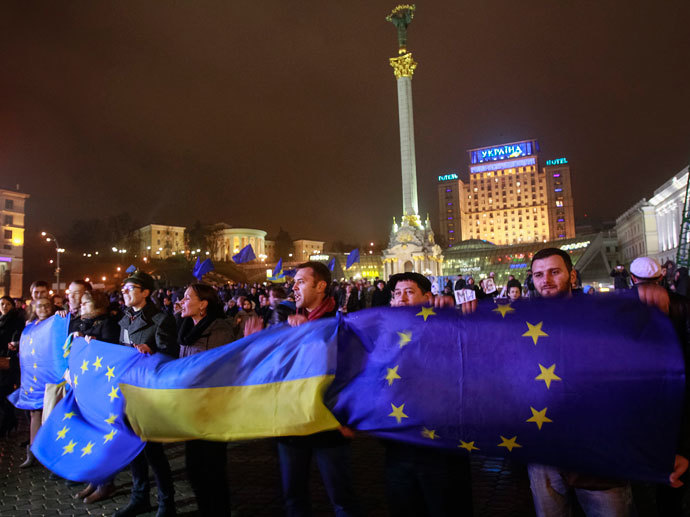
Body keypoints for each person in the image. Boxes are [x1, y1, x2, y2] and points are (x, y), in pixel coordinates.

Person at [528, 248, 636, 516]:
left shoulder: (602, 315)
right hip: (545, 449)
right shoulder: (522, 322)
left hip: (597, 451)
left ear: (571, 276)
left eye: (554, 272)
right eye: (539, 274)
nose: (546, 280)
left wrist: (655, 294)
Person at [384, 272, 474, 517]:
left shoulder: (446, 328)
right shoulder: (383, 336)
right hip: (399, 447)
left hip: (441, 448)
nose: (401, 299)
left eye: (409, 292)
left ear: (428, 298)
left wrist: (451, 316)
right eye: (396, 294)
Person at [278, 261, 360, 516]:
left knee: (342, 497)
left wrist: (349, 419)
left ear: (321, 286)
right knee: (293, 496)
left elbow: (350, 373)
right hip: (292, 424)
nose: (294, 287)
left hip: (329, 426)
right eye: (294, 282)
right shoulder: (286, 323)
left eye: (301, 281)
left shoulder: (340, 324)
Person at [629, 256, 690, 515]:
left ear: (632, 279)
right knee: (673, 487)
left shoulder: (618, 308)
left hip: (635, 406)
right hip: (677, 403)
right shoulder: (683, 305)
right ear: (662, 276)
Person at [114, 270, 178, 517]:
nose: (125, 292)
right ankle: (140, 498)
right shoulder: (125, 318)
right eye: (124, 289)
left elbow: (170, 353)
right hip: (127, 390)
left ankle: (166, 502)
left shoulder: (161, 319)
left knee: (153, 451)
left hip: (148, 392)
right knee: (133, 448)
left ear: (145, 292)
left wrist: (150, 349)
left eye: (130, 288)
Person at [178, 284, 234, 516]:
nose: (181, 301)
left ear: (203, 304)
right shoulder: (185, 329)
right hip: (191, 409)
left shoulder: (219, 330)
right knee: (194, 469)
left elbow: (218, 368)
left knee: (212, 470)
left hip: (213, 410)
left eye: (187, 297)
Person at [73, 290, 121, 503]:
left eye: (85, 303)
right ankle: (94, 479)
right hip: (87, 386)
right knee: (91, 435)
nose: (81, 306)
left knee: (103, 436)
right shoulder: (82, 323)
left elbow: (110, 353)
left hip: (103, 387)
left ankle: (106, 482)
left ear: (97, 305)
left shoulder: (108, 324)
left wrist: (94, 343)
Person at [18, 296, 54, 468]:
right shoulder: (29, 328)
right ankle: (32, 452)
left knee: (51, 414)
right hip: (34, 377)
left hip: (50, 377)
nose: (44, 309)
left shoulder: (57, 322)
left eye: (47, 305)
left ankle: (49, 454)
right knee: (35, 413)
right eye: (40, 306)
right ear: (34, 309)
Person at [0, 295, 24, 437]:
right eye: (2, 304)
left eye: (7, 304)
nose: (4, 307)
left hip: (8, 361)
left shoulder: (16, 320)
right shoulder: (1, 319)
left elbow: (17, 337)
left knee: (5, 393)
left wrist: (13, 346)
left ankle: (7, 422)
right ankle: (9, 421)